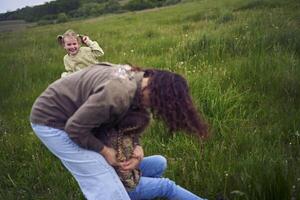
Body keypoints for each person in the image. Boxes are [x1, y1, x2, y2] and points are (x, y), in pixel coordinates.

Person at [30, 62, 208, 200]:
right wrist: (105, 151)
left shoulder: (138, 80)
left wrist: (137, 147)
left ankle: (124, 187)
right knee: (105, 188)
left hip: (79, 119)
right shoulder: (118, 92)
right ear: (152, 90)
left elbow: (132, 119)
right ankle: (119, 190)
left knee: (158, 163)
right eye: (156, 103)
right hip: (53, 122)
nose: (152, 108)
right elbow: (75, 129)